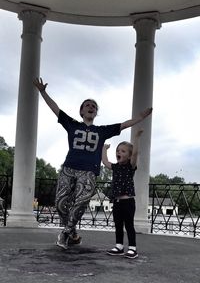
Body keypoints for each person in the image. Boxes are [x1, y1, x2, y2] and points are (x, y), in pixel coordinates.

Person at [33, 77, 152, 250]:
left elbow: (124, 125)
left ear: (96, 113)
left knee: (81, 202)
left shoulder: (102, 130)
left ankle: (65, 234)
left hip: (88, 171)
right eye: (87, 105)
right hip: (69, 168)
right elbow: (55, 109)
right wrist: (43, 92)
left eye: (94, 106)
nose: (91, 107)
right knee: (59, 203)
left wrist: (140, 117)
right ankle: (73, 233)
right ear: (81, 111)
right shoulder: (72, 124)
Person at [102, 128, 144, 259]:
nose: (119, 152)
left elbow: (136, 153)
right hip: (117, 202)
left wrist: (136, 138)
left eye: (123, 151)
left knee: (129, 225)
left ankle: (132, 248)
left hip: (128, 202)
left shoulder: (130, 166)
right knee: (118, 224)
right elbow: (105, 162)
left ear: (129, 155)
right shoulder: (116, 167)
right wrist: (104, 149)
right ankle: (119, 246)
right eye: (118, 151)